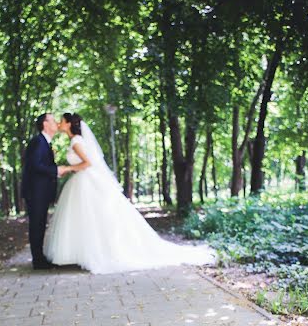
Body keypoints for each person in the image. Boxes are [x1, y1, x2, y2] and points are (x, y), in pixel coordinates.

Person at [43, 113, 215, 274]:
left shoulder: (76, 142)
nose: (58, 123)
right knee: (87, 218)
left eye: (61, 121)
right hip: (82, 180)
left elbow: (88, 163)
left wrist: (67, 168)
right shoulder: (75, 140)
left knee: (91, 217)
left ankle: (96, 253)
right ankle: (84, 252)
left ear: (68, 124)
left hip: (85, 180)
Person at [21, 113, 66, 269]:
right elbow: (35, 165)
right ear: (45, 124)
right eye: (53, 121)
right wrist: (55, 170)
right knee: (37, 224)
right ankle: (38, 261)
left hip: (40, 192)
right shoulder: (38, 142)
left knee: (40, 224)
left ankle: (39, 258)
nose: (57, 123)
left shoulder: (44, 143)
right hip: (35, 192)